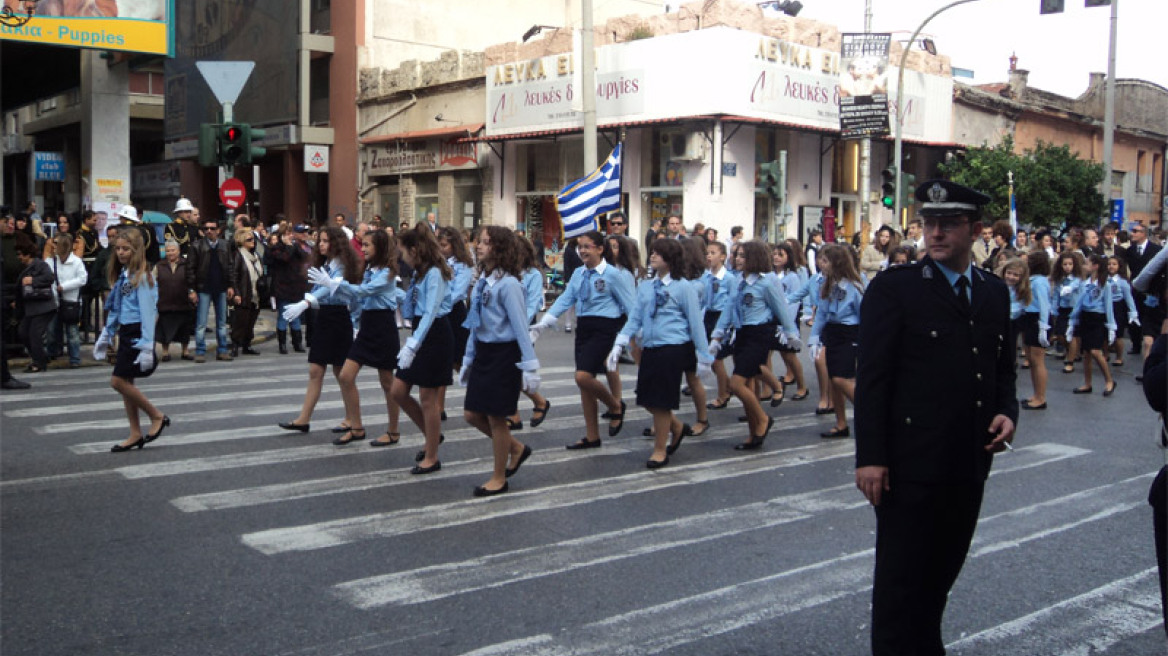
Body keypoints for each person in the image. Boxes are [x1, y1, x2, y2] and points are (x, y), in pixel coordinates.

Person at [855, 179, 1017, 656]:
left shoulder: (992, 291)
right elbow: (874, 380)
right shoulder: (896, 288)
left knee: (939, 579)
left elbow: (1000, 365)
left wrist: (1007, 410)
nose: (937, 233)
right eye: (930, 223)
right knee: (899, 589)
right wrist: (871, 458)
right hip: (910, 466)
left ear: (975, 230)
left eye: (950, 224)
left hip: (967, 462)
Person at [608, 238, 712, 468]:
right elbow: (635, 316)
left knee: (662, 401)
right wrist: (621, 341)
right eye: (652, 252)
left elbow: (696, 323)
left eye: (659, 253)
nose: (652, 256)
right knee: (646, 397)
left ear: (671, 258)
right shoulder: (646, 286)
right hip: (651, 347)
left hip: (672, 347)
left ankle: (659, 449)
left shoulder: (684, 287)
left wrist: (704, 357)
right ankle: (676, 427)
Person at [531, 230, 635, 449]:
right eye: (580, 246)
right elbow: (566, 299)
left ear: (600, 249)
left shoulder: (612, 274)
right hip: (585, 327)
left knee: (582, 377)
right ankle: (592, 435)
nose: (583, 250)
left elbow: (631, 307)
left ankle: (615, 406)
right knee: (585, 387)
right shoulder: (579, 273)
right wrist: (544, 322)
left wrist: (625, 338)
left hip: (605, 328)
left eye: (588, 246)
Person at [460, 226, 541, 496]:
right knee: (472, 414)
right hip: (484, 352)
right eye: (479, 242)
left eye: (485, 243)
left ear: (500, 248)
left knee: (496, 418)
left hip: (504, 355)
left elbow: (520, 326)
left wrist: (530, 366)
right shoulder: (483, 281)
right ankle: (516, 448)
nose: (478, 246)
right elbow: (474, 323)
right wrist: (468, 358)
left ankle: (499, 478)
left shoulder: (510, 285)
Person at [708, 239, 801, 450]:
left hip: (759, 334)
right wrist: (717, 336)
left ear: (754, 258)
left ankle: (763, 419)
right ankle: (753, 433)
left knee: (737, 383)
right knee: (748, 385)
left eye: (742, 255)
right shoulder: (737, 280)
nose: (737, 259)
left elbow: (781, 308)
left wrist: (791, 333)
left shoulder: (767, 282)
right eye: (736, 255)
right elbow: (729, 308)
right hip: (741, 333)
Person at [321, 228, 404, 448]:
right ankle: (356, 427)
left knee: (388, 382)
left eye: (367, 245)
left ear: (381, 248)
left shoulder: (387, 272)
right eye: (363, 244)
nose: (363, 249)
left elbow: (364, 291)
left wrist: (335, 284)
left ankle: (393, 431)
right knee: (346, 376)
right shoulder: (369, 269)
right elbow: (358, 298)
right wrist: (355, 322)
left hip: (383, 327)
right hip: (368, 326)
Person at [277, 226, 363, 434]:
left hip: (339, 318)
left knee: (342, 373)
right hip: (324, 317)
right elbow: (318, 290)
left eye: (325, 241)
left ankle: (353, 419)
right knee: (315, 370)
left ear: (337, 243)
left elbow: (329, 288)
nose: (321, 244)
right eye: (320, 241)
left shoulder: (342, 265)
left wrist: (306, 303)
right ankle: (303, 419)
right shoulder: (325, 263)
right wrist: (308, 302)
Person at [94, 229, 169, 452]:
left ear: (136, 250)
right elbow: (118, 306)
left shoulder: (142, 276)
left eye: (125, 249)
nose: (120, 253)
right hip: (126, 331)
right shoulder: (126, 275)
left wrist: (147, 345)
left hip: (137, 331)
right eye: (118, 248)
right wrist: (106, 333)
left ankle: (157, 416)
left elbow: (147, 312)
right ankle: (135, 432)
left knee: (117, 382)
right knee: (127, 384)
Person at [393, 227, 454, 474]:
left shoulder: (435, 274)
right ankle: (432, 435)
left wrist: (414, 344)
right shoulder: (420, 273)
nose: (401, 256)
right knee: (398, 391)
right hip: (420, 331)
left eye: (403, 252)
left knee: (428, 398)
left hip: (434, 334)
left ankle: (432, 456)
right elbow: (413, 304)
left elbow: (431, 311)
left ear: (415, 250)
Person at [808, 243, 865, 439]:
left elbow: (864, 314)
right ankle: (841, 424)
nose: (820, 264)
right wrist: (814, 338)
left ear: (836, 263)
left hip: (849, 333)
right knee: (833, 379)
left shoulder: (854, 287)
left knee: (842, 378)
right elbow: (822, 314)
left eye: (824, 260)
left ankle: (871, 413)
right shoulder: (827, 285)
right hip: (832, 332)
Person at [186, 216, 237, 362]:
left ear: (218, 230)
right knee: (201, 323)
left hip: (221, 287)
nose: (209, 231)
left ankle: (222, 350)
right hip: (203, 288)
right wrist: (192, 290)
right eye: (206, 229)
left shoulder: (224, 245)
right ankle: (200, 351)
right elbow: (190, 269)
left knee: (221, 323)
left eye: (212, 228)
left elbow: (230, 266)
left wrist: (231, 286)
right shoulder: (197, 246)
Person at [1066, 254, 1117, 397]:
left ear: (1096, 266)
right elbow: (1079, 303)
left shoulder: (1105, 284)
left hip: (1097, 318)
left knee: (1095, 351)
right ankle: (1087, 383)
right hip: (1086, 317)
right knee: (1086, 353)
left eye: (1088, 264)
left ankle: (1109, 380)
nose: (1085, 266)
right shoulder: (1085, 283)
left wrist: (1111, 325)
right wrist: (1072, 321)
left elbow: (1108, 305)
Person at [266, 224, 309, 354]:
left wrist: (293, 246)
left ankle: (297, 343)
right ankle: (282, 344)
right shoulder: (276, 248)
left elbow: (304, 256)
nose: (291, 236)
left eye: (291, 234)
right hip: (282, 286)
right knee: (283, 316)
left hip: (296, 286)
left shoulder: (295, 246)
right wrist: (288, 246)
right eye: (288, 234)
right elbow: (285, 258)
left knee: (295, 316)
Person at [15, 241, 56, 373]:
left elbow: (50, 277)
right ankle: (40, 357)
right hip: (32, 307)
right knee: (24, 332)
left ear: (28, 254)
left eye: (20, 254)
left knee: (34, 334)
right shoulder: (25, 267)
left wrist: (33, 281)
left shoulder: (39, 265)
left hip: (43, 306)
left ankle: (39, 363)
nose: (19, 257)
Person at [47, 233, 87, 368]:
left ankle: (75, 358)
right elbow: (47, 278)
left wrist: (64, 287)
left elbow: (83, 279)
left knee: (72, 332)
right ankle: (52, 353)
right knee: (52, 330)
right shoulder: (51, 261)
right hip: (54, 301)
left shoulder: (76, 262)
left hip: (71, 301)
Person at [1020, 250, 1052, 410]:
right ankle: (1035, 393)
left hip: (1037, 319)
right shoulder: (1032, 280)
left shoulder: (1039, 282)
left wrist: (1043, 327)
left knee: (1038, 360)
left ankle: (1041, 397)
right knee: (1032, 359)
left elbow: (1045, 305)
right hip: (1029, 317)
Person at [155, 240, 194, 361]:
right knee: (164, 329)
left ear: (178, 251)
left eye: (173, 250)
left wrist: (192, 292)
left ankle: (185, 351)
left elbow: (192, 280)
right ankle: (165, 352)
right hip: (165, 302)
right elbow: (153, 282)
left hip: (183, 301)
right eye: (168, 251)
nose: (170, 253)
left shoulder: (186, 264)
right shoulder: (159, 266)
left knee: (184, 328)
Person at [229, 227, 264, 357]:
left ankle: (246, 345)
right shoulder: (238, 255)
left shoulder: (256, 255)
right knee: (240, 322)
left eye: (253, 239)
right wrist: (237, 293)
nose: (252, 242)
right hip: (244, 293)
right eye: (249, 239)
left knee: (251, 321)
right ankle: (234, 345)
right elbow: (234, 276)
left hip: (256, 294)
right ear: (241, 241)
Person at [1050, 252, 1084, 371]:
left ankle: (1070, 361)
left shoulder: (1077, 279)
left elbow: (1074, 286)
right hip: (1063, 308)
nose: (1067, 266)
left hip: (1075, 309)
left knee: (1072, 335)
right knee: (1060, 334)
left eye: (1070, 264)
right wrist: (1053, 309)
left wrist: (1068, 288)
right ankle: (1071, 351)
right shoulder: (1060, 280)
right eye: (1065, 264)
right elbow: (1056, 295)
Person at [1105, 255, 1139, 367]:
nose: (1111, 266)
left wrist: (1133, 312)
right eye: (1109, 264)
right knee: (1104, 332)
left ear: (1119, 266)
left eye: (1114, 264)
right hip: (1105, 306)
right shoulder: (1103, 279)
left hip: (1117, 307)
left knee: (1118, 334)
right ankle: (1105, 353)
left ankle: (1119, 357)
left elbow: (1129, 298)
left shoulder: (1122, 282)